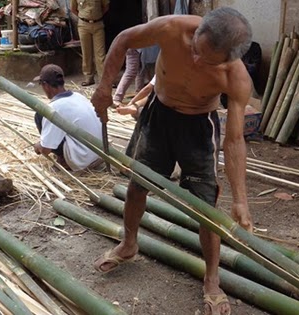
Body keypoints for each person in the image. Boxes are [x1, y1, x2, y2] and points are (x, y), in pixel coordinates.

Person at [90, 8, 254, 315]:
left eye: (206, 59)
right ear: (197, 32)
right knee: (137, 186)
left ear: (228, 59)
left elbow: (234, 140)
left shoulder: (236, 77)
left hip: (197, 127)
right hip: (157, 115)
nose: (195, 60)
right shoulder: (172, 28)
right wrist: (103, 87)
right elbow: (125, 39)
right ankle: (129, 244)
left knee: (206, 208)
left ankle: (212, 278)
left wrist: (241, 200)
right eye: (195, 49)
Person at [32, 64, 103, 172]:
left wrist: (39, 146)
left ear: (45, 85)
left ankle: (65, 161)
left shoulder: (54, 108)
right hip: (98, 152)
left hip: (81, 159)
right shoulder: (79, 96)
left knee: (39, 115)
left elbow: (45, 150)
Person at [71, 0, 109, 86]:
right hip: (83, 25)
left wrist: (96, 17)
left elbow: (106, 7)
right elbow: (73, 9)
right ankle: (88, 78)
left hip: (98, 24)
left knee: (100, 54)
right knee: (86, 53)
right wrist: (84, 18)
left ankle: (103, 79)